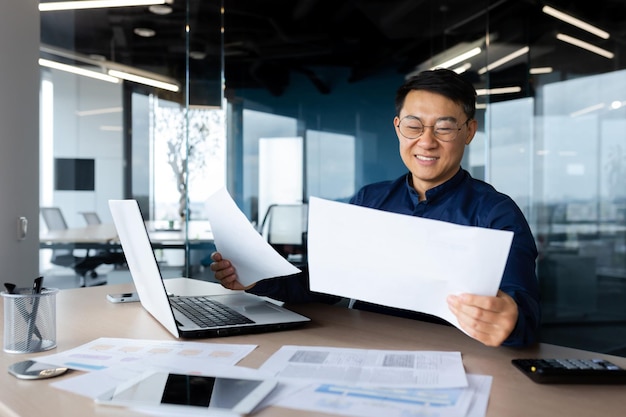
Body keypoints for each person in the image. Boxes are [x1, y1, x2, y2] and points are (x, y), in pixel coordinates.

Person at [210, 68, 541, 348]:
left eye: (443, 128)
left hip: (457, 363)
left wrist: (508, 318)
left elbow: (524, 314)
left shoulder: (498, 213)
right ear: (398, 127)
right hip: (361, 351)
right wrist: (254, 279)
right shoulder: (370, 201)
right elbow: (322, 285)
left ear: (469, 131)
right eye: (414, 126)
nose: (426, 141)